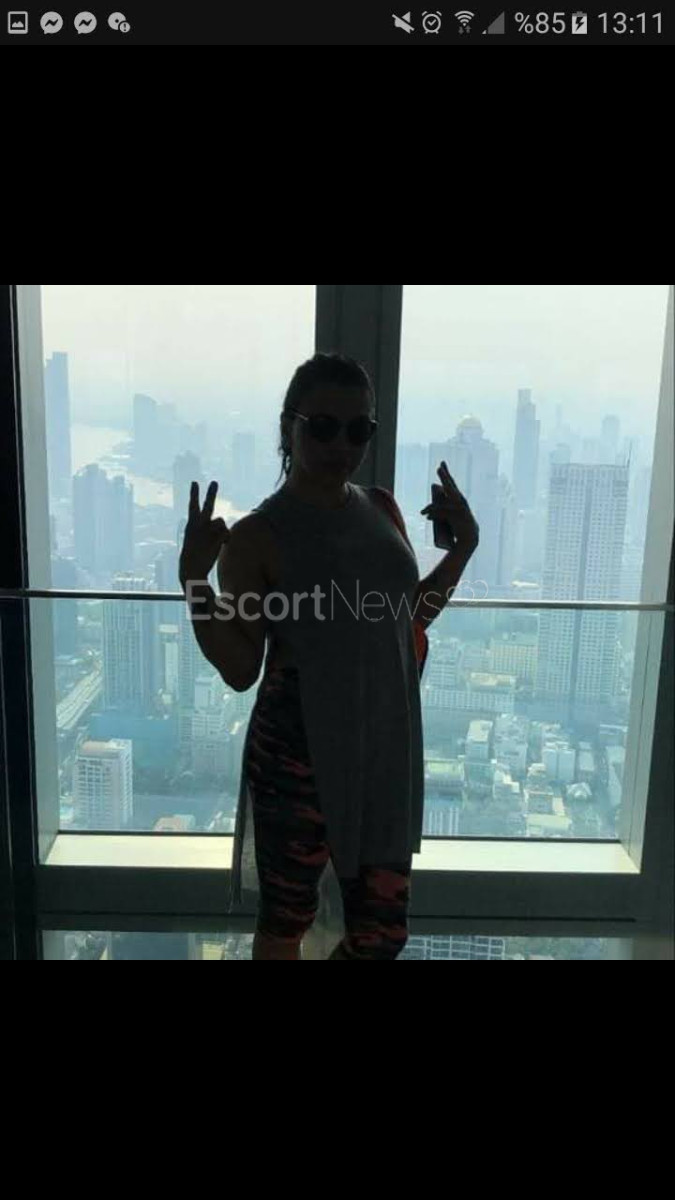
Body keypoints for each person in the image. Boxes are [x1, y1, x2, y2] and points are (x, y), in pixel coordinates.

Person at [179, 352, 479, 959]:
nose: (341, 445)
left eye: (358, 429)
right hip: (299, 752)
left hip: (382, 745)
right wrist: (193, 579)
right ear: (287, 427)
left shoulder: (382, 507)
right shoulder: (257, 536)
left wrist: (462, 550)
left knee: (382, 935)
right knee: (286, 922)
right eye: (322, 427)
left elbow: (403, 622)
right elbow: (240, 670)